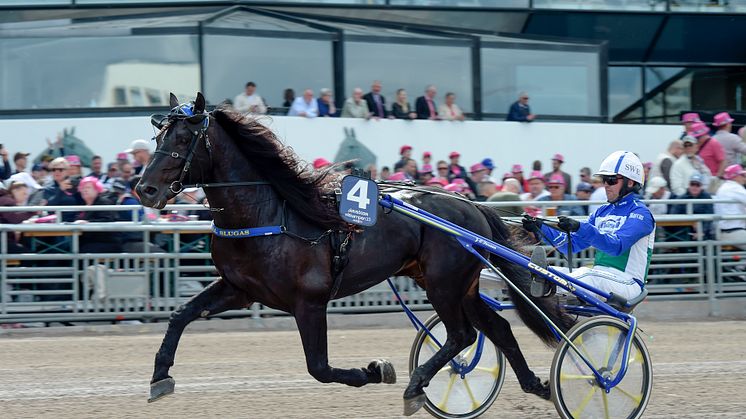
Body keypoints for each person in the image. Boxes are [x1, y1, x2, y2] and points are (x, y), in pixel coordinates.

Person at [523, 151, 655, 301]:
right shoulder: (602, 211)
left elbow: (616, 246)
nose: (605, 185)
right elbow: (570, 245)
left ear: (630, 182)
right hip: (601, 277)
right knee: (541, 270)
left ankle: (548, 283)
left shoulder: (640, 214)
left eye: (611, 180)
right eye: (604, 179)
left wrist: (580, 227)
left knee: (589, 274)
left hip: (628, 283)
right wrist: (540, 228)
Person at [75, 176, 122, 253]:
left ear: (97, 189)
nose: (84, 190)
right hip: (91, 241)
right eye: (82, 188)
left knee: (80, 250)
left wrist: (88, 223)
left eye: (88, 187)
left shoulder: (103, 202)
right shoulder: (84, 206)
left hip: (107, 242)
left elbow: (107, 220)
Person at [669, 173, 713, 240]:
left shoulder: (707, 197)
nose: (694, 187)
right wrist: (690, 222)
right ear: (689, 185)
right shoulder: (682, 198)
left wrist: (702, 231)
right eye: (692, 184)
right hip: (684, 230)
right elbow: (673, 215)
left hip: (703, 229)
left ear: (701, 186)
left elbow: (710, 216)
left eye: (697, 185)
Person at [714, 164, 746, 249]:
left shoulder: (726, 186)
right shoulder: (734, 188)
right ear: (734, 176)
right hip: (732, 232)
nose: (744, 177)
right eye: (742, 175)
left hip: (728, 231)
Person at [0, 182, 35, 253]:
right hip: (2, 241)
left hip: (4, 239)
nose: (26, 197)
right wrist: (32, 212)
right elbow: (14, 219)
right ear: (15, 191)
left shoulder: (5, 199)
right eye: (24, 193)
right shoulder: (7, 201)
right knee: (29, 256)